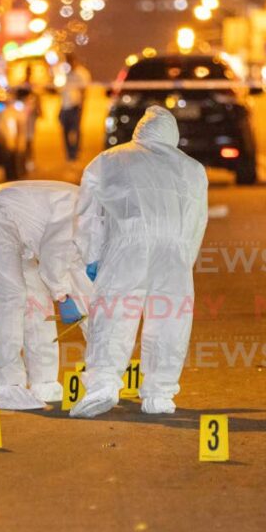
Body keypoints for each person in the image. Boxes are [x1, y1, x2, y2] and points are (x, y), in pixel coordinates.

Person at [70, 106, 208, 418]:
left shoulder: (109, 160)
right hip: (174, 250)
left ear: (140, 131)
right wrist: (184, 260)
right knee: (170, 318)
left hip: (128, 244)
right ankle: (160, 394)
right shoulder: (192, 168)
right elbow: (197, 221)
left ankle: (103, 386)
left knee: (114, 314)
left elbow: (89, 213)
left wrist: (91, 256)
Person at [0, 180, 95, 410]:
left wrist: (102, 363)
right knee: (9, 296)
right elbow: (53, 258)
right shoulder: (83, 214)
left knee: (38, 301)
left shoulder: (97, 229)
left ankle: (43, 381)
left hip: (18, 223)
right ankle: (5, 386)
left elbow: (86, 293)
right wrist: (63, 296)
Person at [58, 53, 90, 162]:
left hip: (75, 106)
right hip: (64, 105)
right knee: (65, 130)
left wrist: (82, 106)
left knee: (75, 130)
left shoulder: (81, 73)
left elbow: (84, 90)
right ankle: (69, 152)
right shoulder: (64, 73)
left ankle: (75, 151)